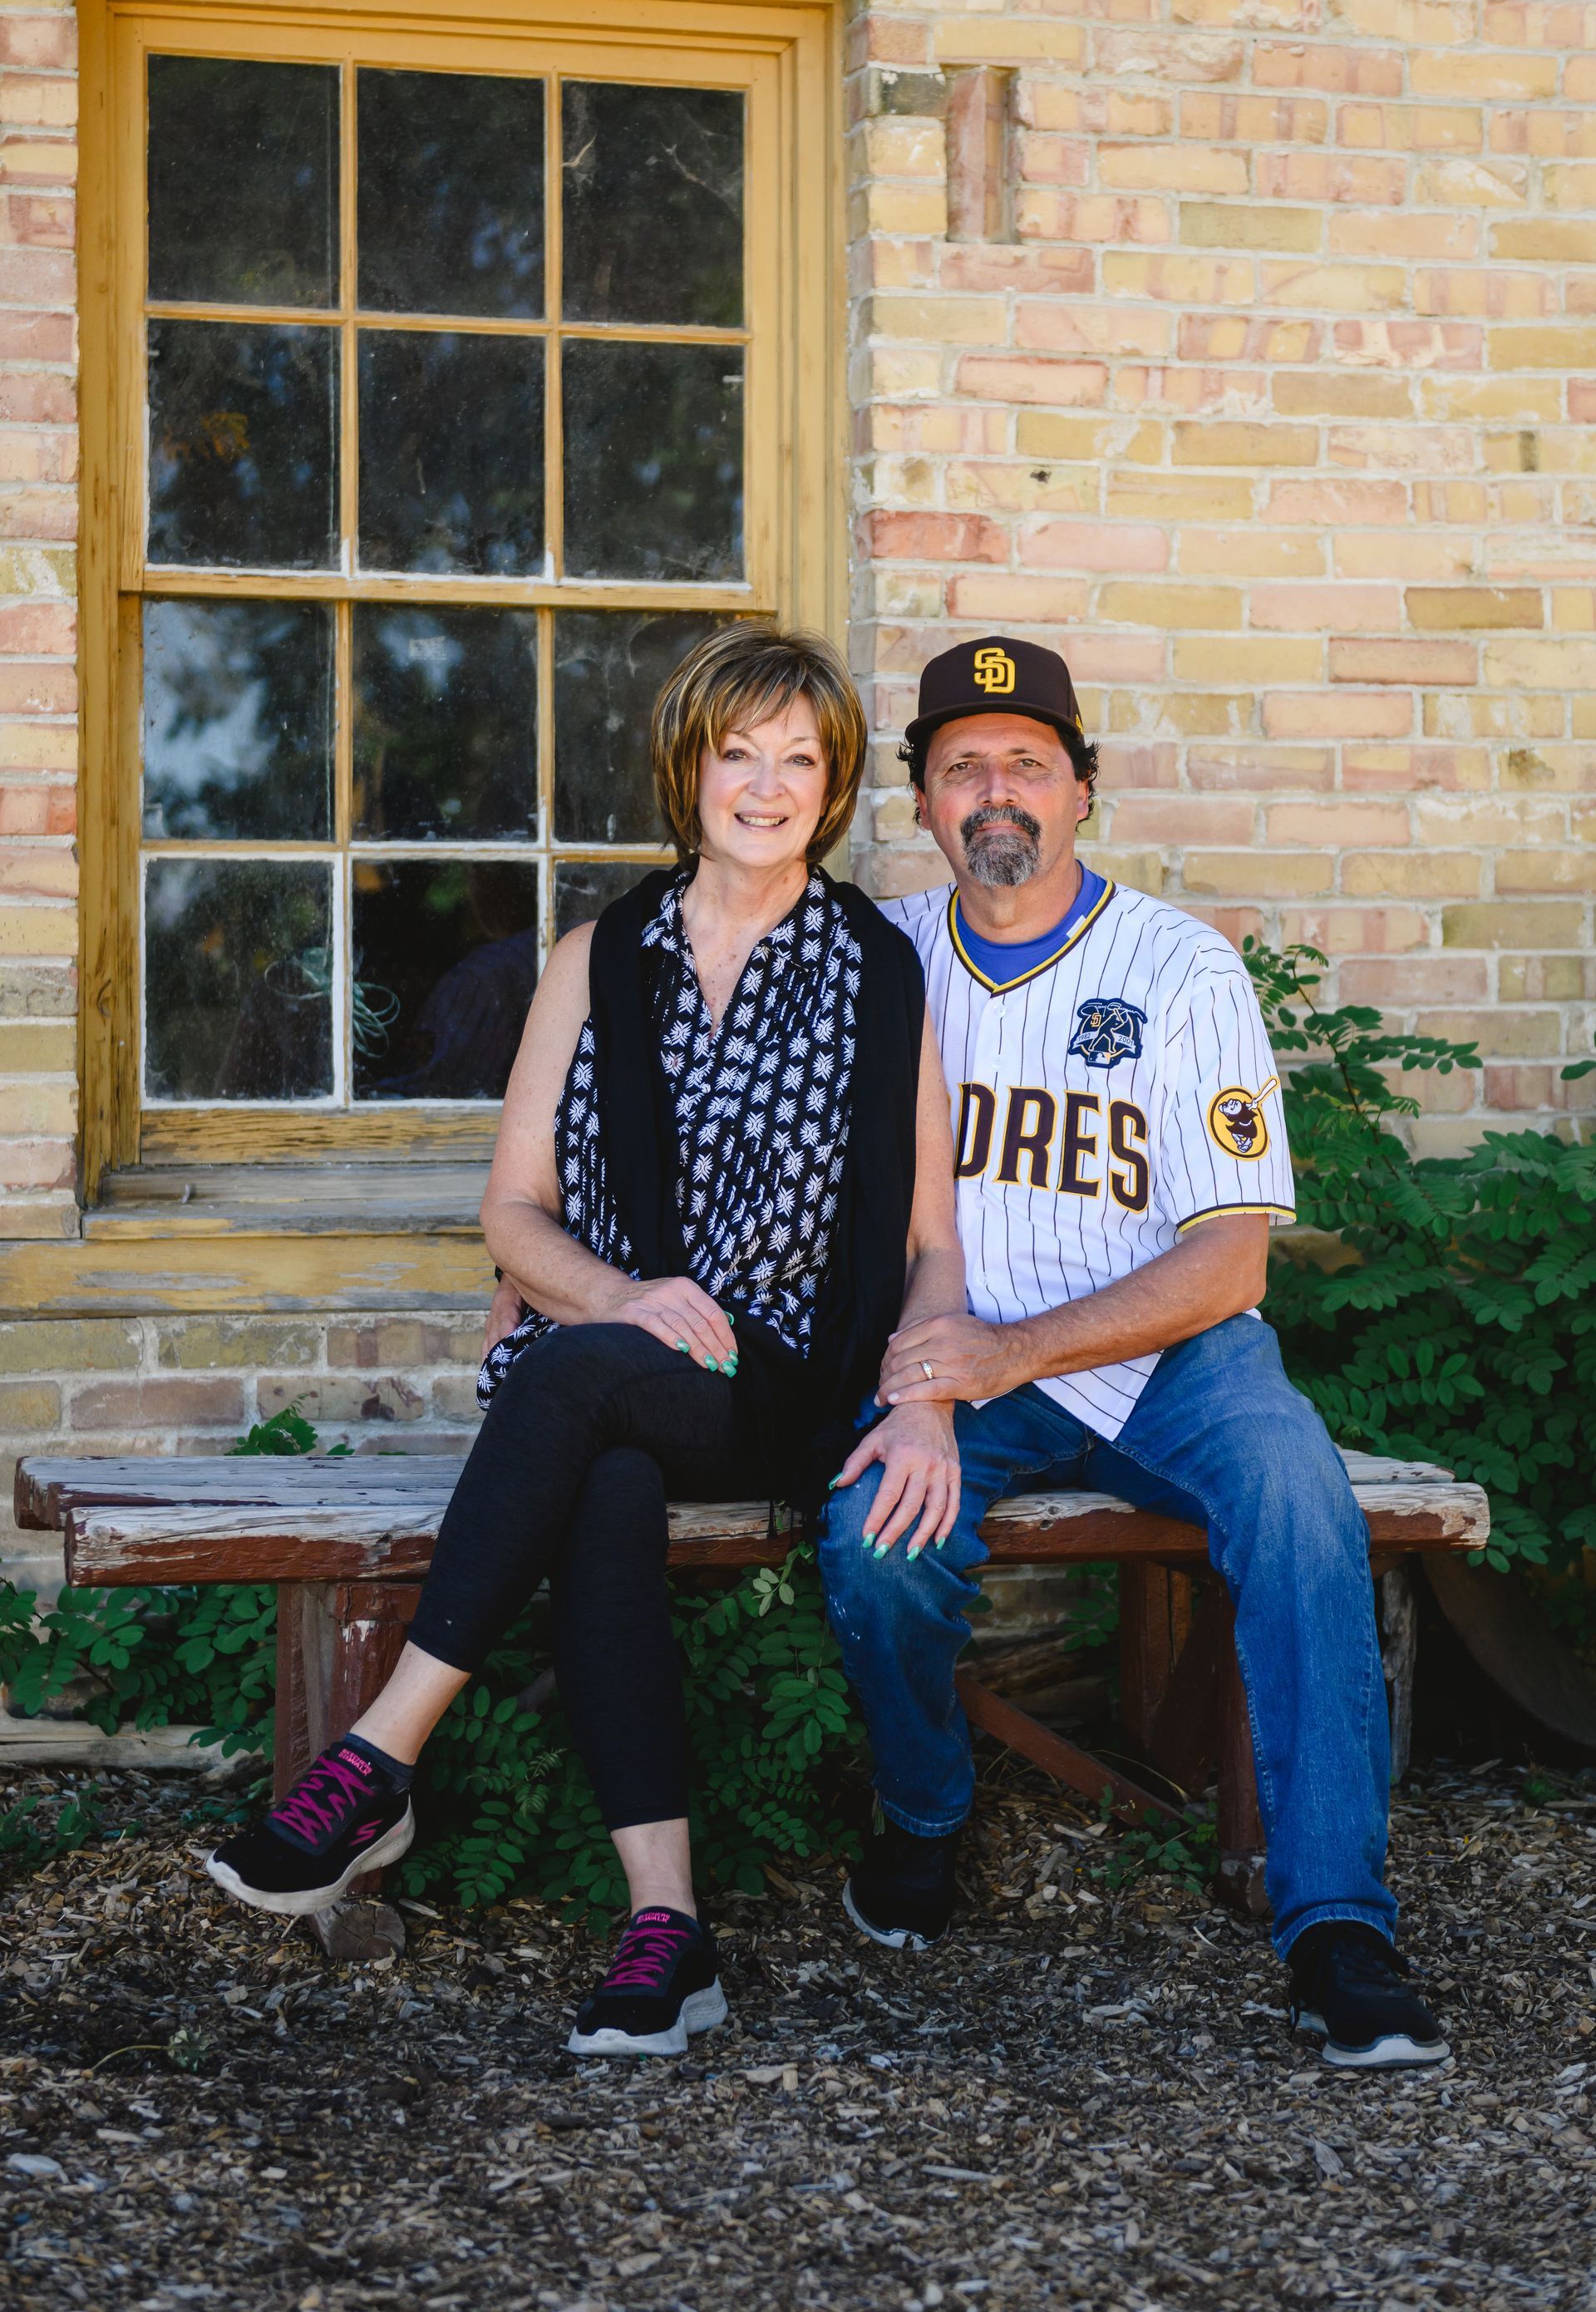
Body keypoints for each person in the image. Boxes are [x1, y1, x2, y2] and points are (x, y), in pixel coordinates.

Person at [204, 623, 965, 2059]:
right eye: (739, 751)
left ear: (837, 784)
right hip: (605, 1369)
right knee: (600, 1468)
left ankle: (378, 1758)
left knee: (568, 1383)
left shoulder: (880, 968)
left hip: (782, 1379)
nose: (767, 784)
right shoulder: (593, 959)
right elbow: (515, 1211)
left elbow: (932, 1240)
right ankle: (668, 1934)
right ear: (688, 768)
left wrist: (923, 1399)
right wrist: (618, 1298)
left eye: (802, 758)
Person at [820, 633, 1449, 2073]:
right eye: (962, 765)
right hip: (955, 1357)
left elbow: (1231, 1259)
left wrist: (1004, 1350)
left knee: (1302, 1507)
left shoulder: (1180, 964)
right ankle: (924, 1816)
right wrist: (937, 1371)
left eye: (1027, 765)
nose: (997, 793)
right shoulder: (880, 961)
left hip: (1175, 1354)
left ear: (1084, 789)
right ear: (918, 799)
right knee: (872, 1542)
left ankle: (1339, 1925)